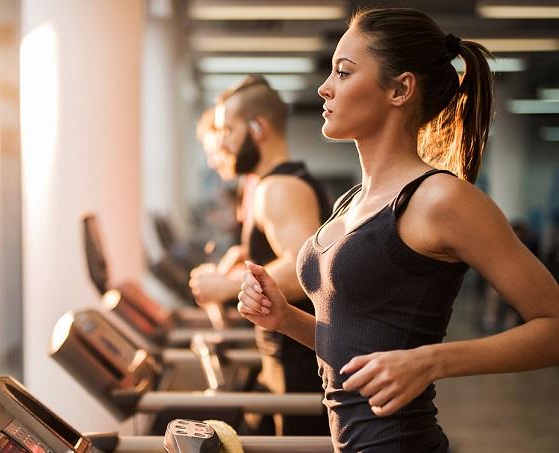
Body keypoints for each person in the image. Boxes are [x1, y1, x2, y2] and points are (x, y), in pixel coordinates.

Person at [237, 7, 559, 452]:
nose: (324, 87)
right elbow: (361, 353)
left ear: (400, 89)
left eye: (343, 73)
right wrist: (285, 319)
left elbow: (554, 324)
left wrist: (431, 362)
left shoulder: (440, 199)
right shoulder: (350, 201)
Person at [189, 76, 332, 436]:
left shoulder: (278, 188)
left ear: (258, 127)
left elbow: (305, 269)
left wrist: (225, 287)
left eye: (228, 129)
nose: (221, 141)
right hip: (282, 359)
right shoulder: (274, 184)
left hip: (298, 365)